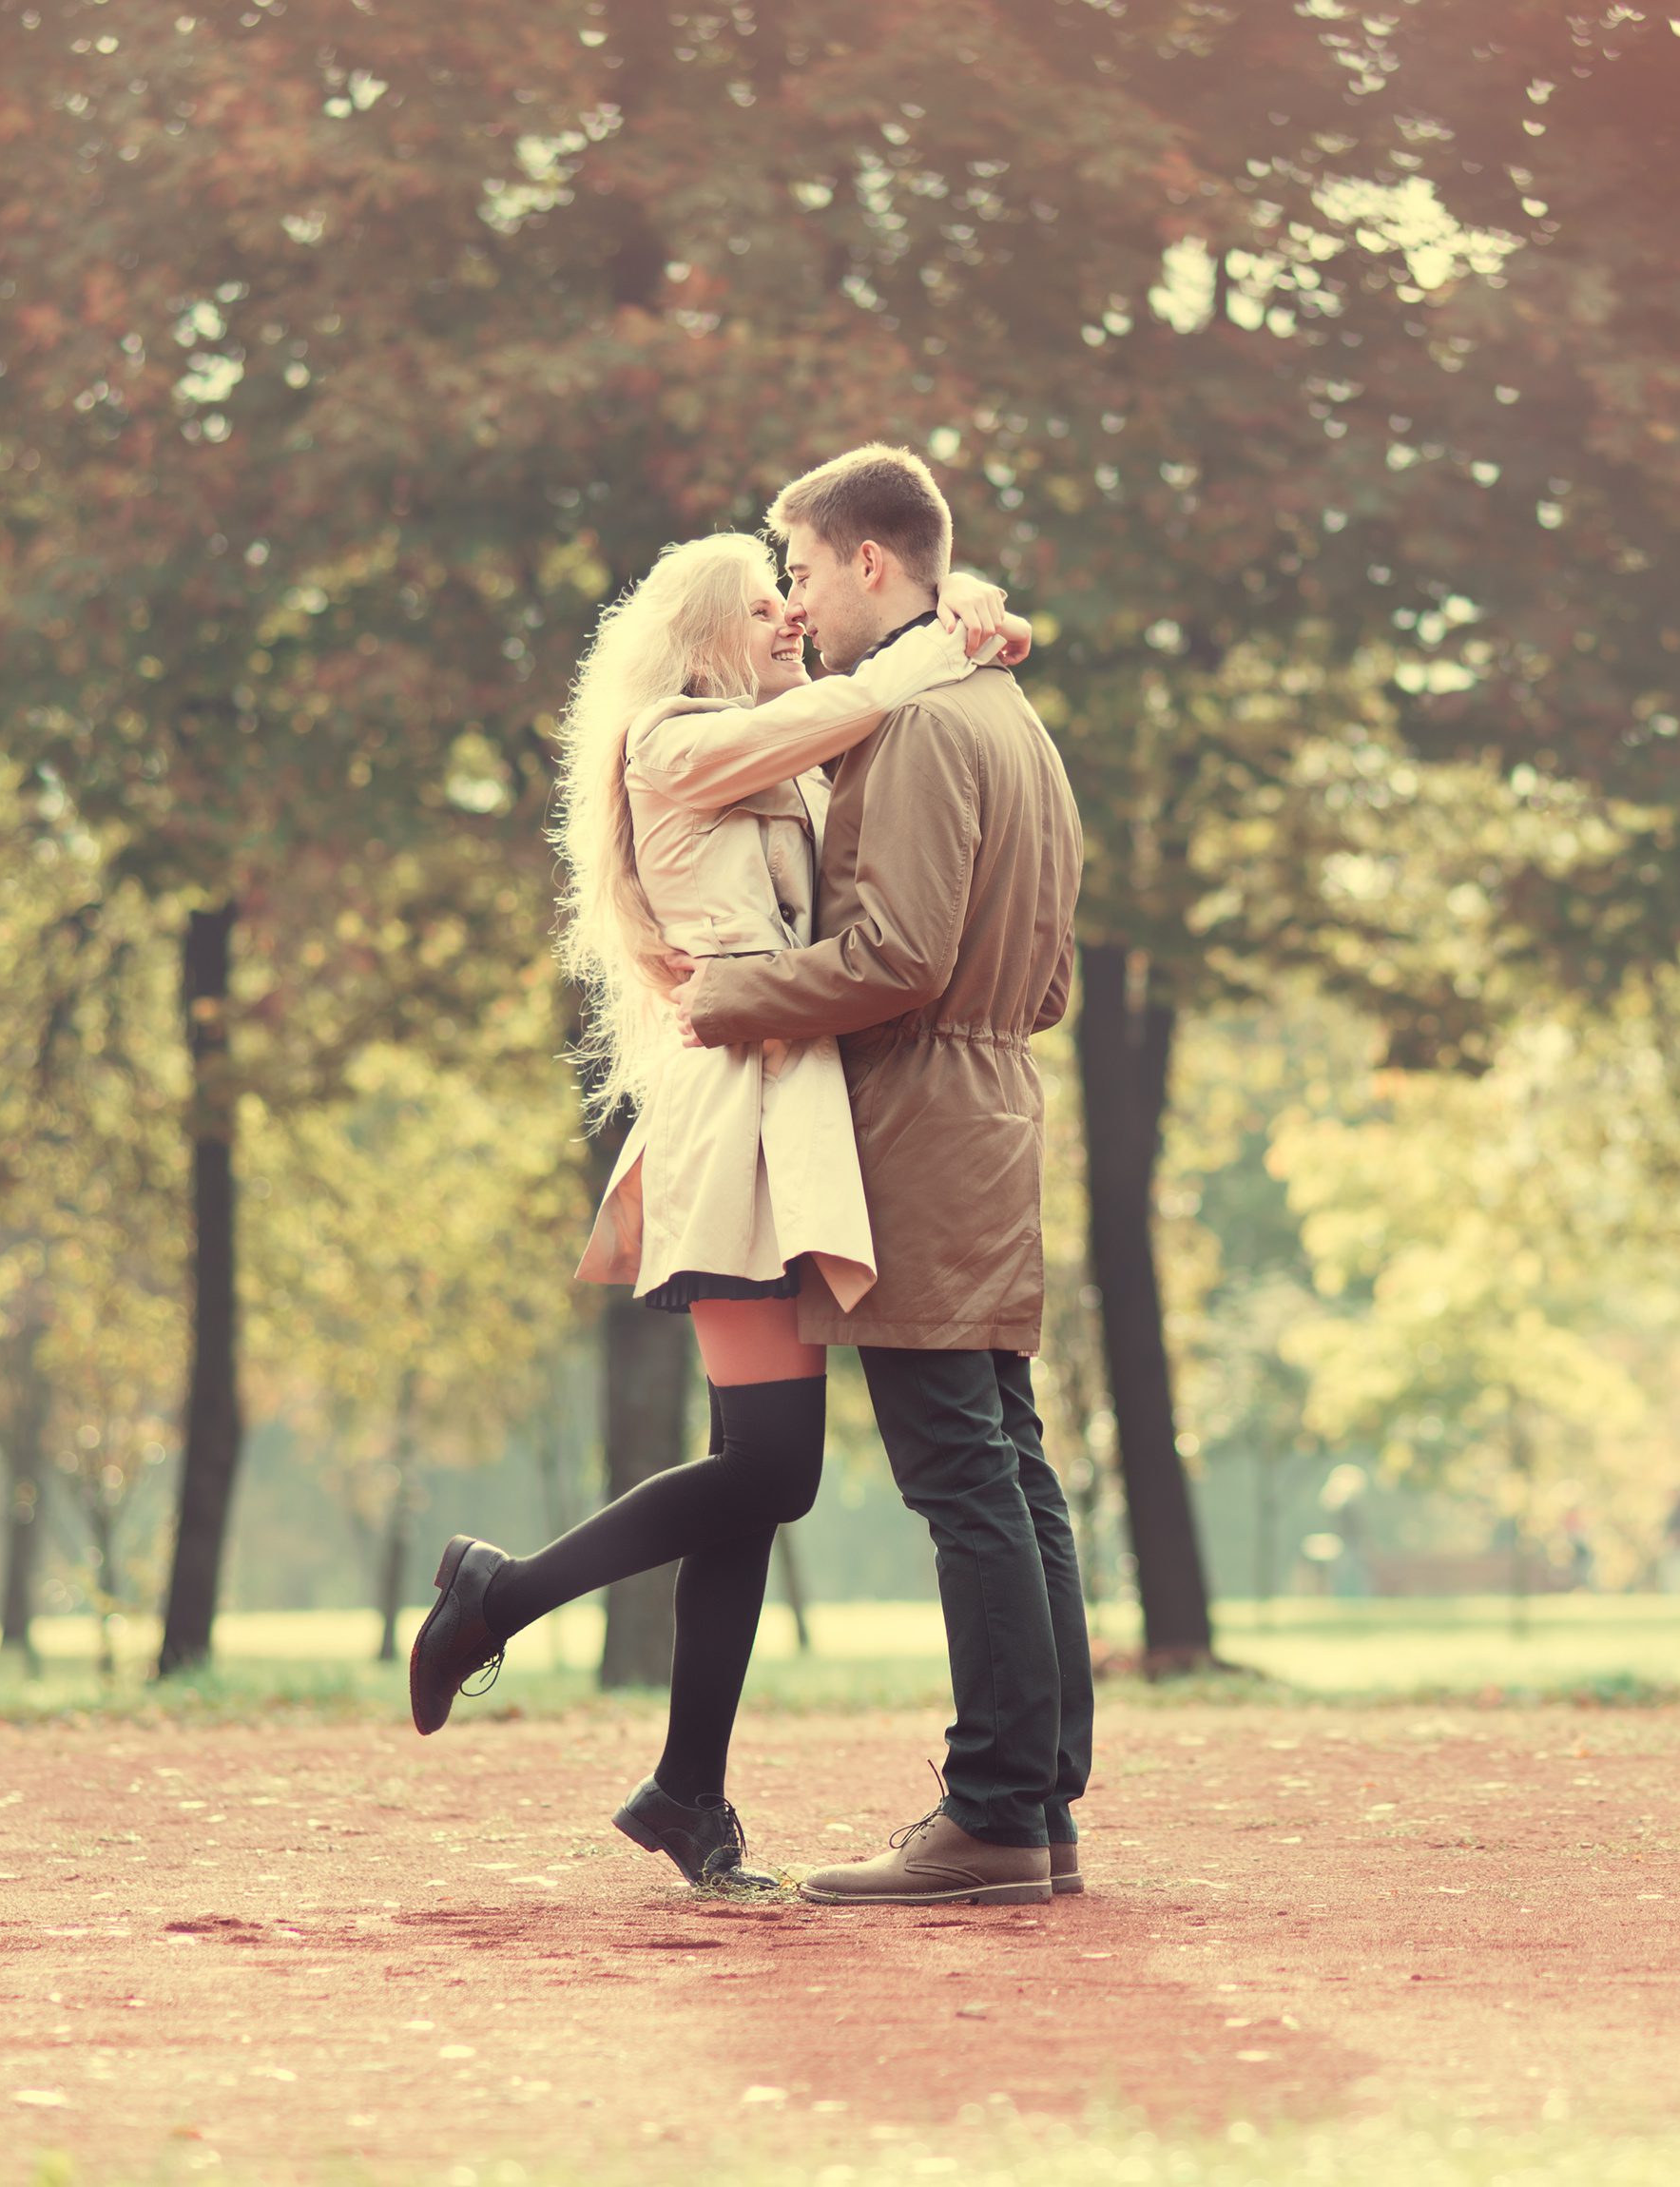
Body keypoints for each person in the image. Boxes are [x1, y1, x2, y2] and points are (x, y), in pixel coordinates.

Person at [409, 529, 1026, 1893]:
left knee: (746, 1488)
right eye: (767, 606)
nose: (793, 619)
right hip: (739, 1114)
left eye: (794, 596)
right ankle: (494, 1596)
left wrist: (960, 610)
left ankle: (688, 1790)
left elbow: (854, 710)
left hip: (780, 1107)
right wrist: (937, 640)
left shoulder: (754, 737)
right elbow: (859, 702)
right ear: (700, 636)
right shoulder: (671, 745)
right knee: (769, 1470)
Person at [673, 444, 1091, 1909]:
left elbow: (897, 956)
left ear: (870, 564)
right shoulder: (1014, 718)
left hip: (916, 1115)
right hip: (995, 1100)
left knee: (960, 1472)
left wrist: (733, 997)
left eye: (800, 572)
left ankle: (986, 1814)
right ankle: (1039, 1808)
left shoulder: (916, 733)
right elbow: (1042, 986)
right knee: (1011, 1464)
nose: (795, 605)